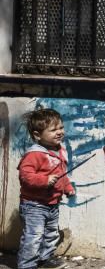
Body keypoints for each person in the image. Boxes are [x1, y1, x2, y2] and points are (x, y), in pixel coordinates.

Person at [18, 108, 74, 269]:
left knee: (51, 235)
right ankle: (27, 265)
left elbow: (62, 174)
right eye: (53, 130)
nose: (59, 132)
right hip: (33, 205)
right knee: (33, 237)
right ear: (37, 135)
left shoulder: (59, 150)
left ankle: (44, 259)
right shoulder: (34, 154)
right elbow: (25, 176)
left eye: (61, 128)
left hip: (52, 204)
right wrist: (44, 180)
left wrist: (68, 188)